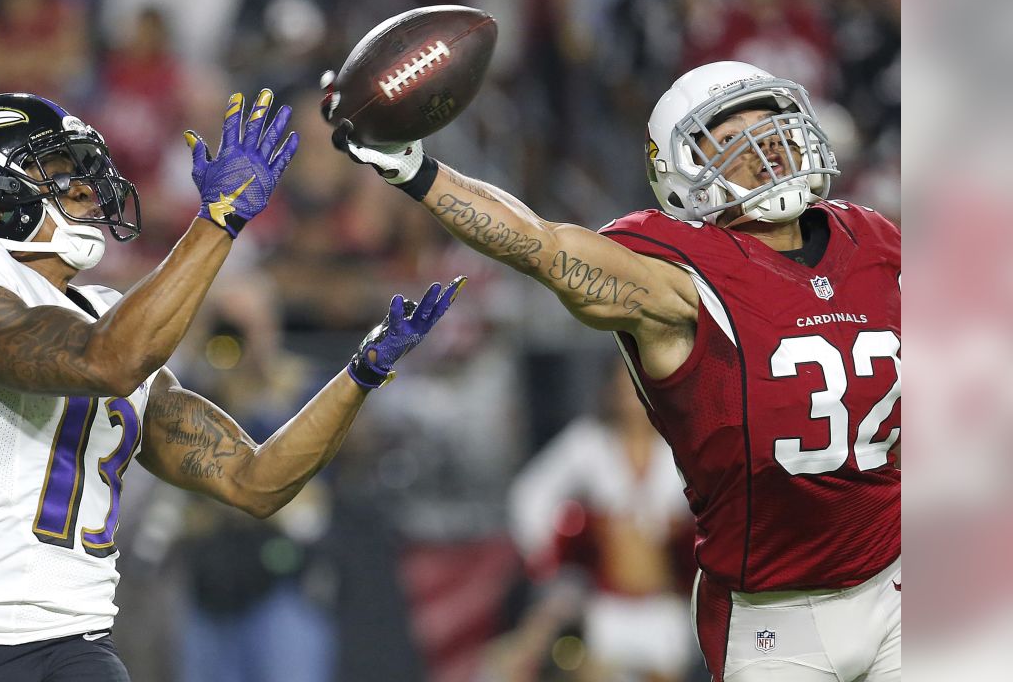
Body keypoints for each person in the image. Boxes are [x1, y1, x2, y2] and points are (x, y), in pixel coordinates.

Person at [326, 60, 900, 682]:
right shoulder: (681, 271)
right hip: (775, 621)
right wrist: (414, 169)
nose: (766, 145)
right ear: (685, 172)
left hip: (901, 582)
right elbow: (538, 245)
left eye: (772, 122)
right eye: (733, 135)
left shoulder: (875, 241)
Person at [0, 89, 465, 681]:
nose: (84, 189)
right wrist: (218, 221)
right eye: (54, 173)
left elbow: (254, 481)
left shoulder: (106, 315)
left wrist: (360, 374)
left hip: (77, 644)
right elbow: (102, 360)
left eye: (82, 172)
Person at [508, 360, 697, 682]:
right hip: (606, 605)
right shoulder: (588, 444)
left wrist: (682, 530)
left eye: (639, 385)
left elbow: (724, 504)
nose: (632, 395)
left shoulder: (684, 445)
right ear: (610, 390)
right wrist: (553, 555)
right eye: (624, 385)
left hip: (668, 604)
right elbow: (530, 494)